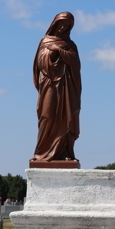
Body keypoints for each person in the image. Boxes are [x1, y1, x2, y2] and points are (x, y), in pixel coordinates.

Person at [32, 12, 81, 162]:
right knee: (47, 115)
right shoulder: (46, 41)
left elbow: (76, 64)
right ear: (55, 24)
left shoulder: (71, 45)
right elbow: (41, 63)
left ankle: (64, 151)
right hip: (50, 85)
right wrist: (51, 53)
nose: (63, 28)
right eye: (61, 24)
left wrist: (59, 50)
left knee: (67, 117)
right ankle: (42, 152)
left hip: (66, 87)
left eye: (67, 25)